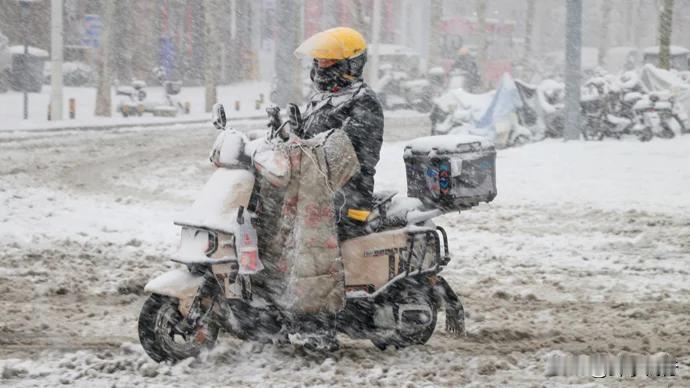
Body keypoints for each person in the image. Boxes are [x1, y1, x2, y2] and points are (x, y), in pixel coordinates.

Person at [294, 26, 384, 243]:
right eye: (318, 60)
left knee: (315, 257)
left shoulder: (363, 101)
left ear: (350, 63)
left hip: (346, 199)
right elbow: (307, 138)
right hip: (313, 191)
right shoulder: (323, 98)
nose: (320, 66)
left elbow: (344, 152)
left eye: (327, 61)